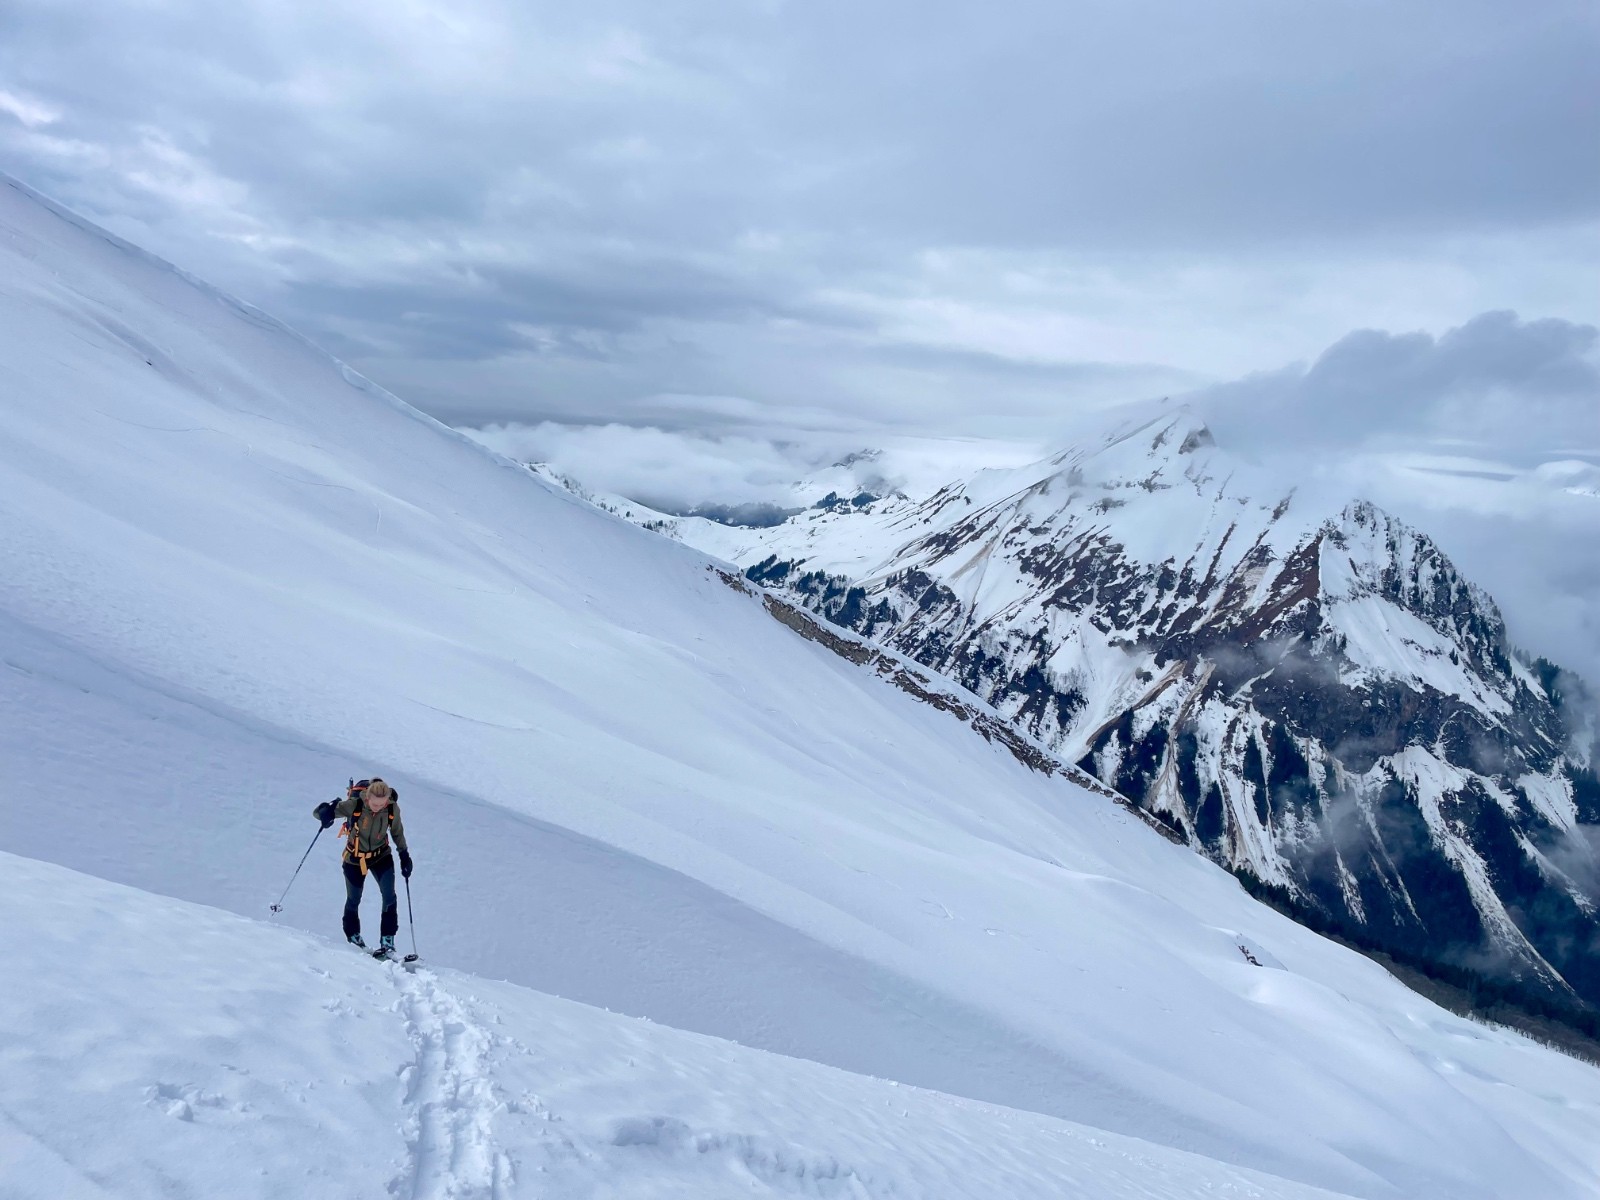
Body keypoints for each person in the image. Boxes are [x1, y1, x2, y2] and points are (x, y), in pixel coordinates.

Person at [313, 778, 413, 955]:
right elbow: (319, 814)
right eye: (375, 804)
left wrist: (404, 854)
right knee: (354, 899)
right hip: (354, 858)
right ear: (367, 798)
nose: (378, 807)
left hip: (381, 856)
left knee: (389, 896)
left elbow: (397, 831)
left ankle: (387, 940)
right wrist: (324, 811)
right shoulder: (355, 805)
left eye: (382, 804)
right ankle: (353, 936)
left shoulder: (391, 808)